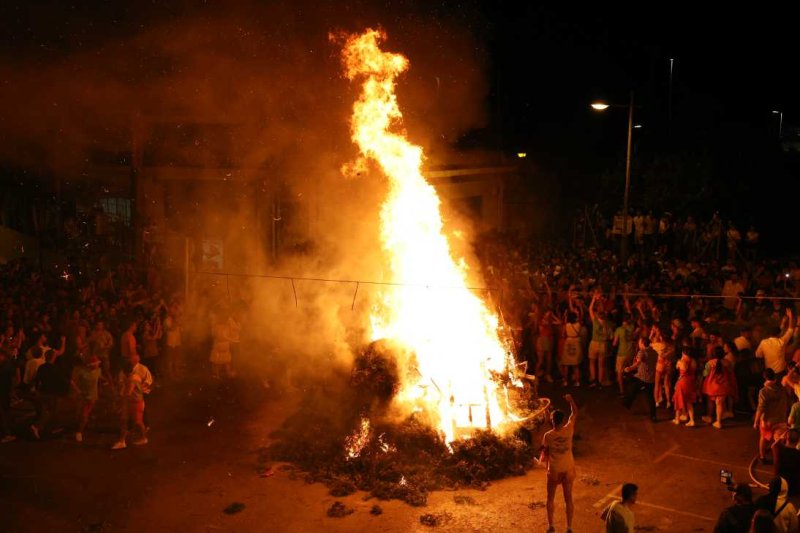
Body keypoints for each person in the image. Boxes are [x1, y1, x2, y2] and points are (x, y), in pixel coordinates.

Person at [540, 394, 577, 533]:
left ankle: (551, 527)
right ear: (563, 421)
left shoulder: (548, 436)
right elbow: (575, 412)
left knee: (550, 499)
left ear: (553, 421)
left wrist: (541, 460)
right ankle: (569, 528)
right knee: (569, 500)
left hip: (554, 470)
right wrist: (570, 400)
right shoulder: (569, 429)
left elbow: (545, 452)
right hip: (567, 469)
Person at [112, 354, 149, 450]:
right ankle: (122, 441)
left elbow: (128, 393)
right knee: (124, 420)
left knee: (138, 422)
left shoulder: (132, 379)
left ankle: (143, 438)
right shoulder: (133, 376)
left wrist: (119, 399)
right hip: (134, 402)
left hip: (135, 403)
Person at [754, 369, 790, 464]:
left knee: (763, 438)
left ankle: (762, 458)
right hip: (781, 420)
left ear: (765, 377)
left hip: (768, 421)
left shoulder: (764, 392)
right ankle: (779, 460)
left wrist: (756, 421)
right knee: (778, 441)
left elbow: (760, 408)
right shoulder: (782, 389)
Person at [623, 337, 658, 422]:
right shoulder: (654, 352)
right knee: (650, 398)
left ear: (642, 343)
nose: (638, 344)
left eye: (639, 342)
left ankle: (627, 403)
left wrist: (629, 368)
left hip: (641, 377)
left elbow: (638, 362)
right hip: (651, 378)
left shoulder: (642, 352)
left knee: (631, 388)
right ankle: (653, 416)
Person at [703, 347, 737, 429]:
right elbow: (730, 372)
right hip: (724, 386)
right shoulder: (727, 362)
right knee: (719, 403)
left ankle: (709, 417)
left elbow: (705, 374)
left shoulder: (709, 363)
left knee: (711, 402)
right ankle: (718, 421)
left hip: (712, 387)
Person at [756, 309, 794, 379]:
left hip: (768, 373)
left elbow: (758, 355)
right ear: (778, 335)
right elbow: (790, 330)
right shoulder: (781, 342)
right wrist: (791, 316)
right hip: (780, 372)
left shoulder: (763, 342)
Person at [72, 354, 102, 443]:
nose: (98, 364)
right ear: (91, 364)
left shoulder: (98, 371)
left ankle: (83, 425)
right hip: (84, 397)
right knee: (83, 415)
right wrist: (77, 391)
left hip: (93, 397)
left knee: (86, 413)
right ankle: (79, 432)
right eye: (96, 363)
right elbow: (73, 382)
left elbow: (99, 380)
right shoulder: (82, 372)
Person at [588, 292, 612, 387]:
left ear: (597, 314)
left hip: (594, 343)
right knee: (601, 365)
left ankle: (594, 380)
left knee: (592, 362)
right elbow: (610, 337)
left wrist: (594, 299)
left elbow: (590, 309)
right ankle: (600, 382)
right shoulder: (607, 324)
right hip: (603, 344)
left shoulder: (595, 321)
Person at [673, 345, 698, 427]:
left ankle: (677, 419)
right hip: (691, 382)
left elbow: (681, 372)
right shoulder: (693, 361)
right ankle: (692, 420)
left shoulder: (682, 361)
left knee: (678, 399)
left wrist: (677, 382)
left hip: (683, 382)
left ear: (683, 353)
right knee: (689, 402)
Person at [613, 313, 636, 396]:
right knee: (630, 370)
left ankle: (622, 390)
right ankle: (631, 388)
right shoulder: (632, 327)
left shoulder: (619, 329)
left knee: (619, 372)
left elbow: (615, 343)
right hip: (630, 352)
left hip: (621, 353)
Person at [0, 349, 18, 443]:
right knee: (4, 412)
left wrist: (11, 391)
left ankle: (7, 433)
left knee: (4, 413)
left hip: (4, 393)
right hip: (4, 392)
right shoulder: (5, 365)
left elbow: (11, 380)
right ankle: (8, 432)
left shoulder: (6, 367)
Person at [560, 311, 582, 387]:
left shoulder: (567, 325)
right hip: (576, 342)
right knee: (576, 365)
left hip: (568, 342)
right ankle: (577, 381)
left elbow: (563, 334)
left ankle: (565, 381)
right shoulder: (578, 325)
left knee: (566, 364)